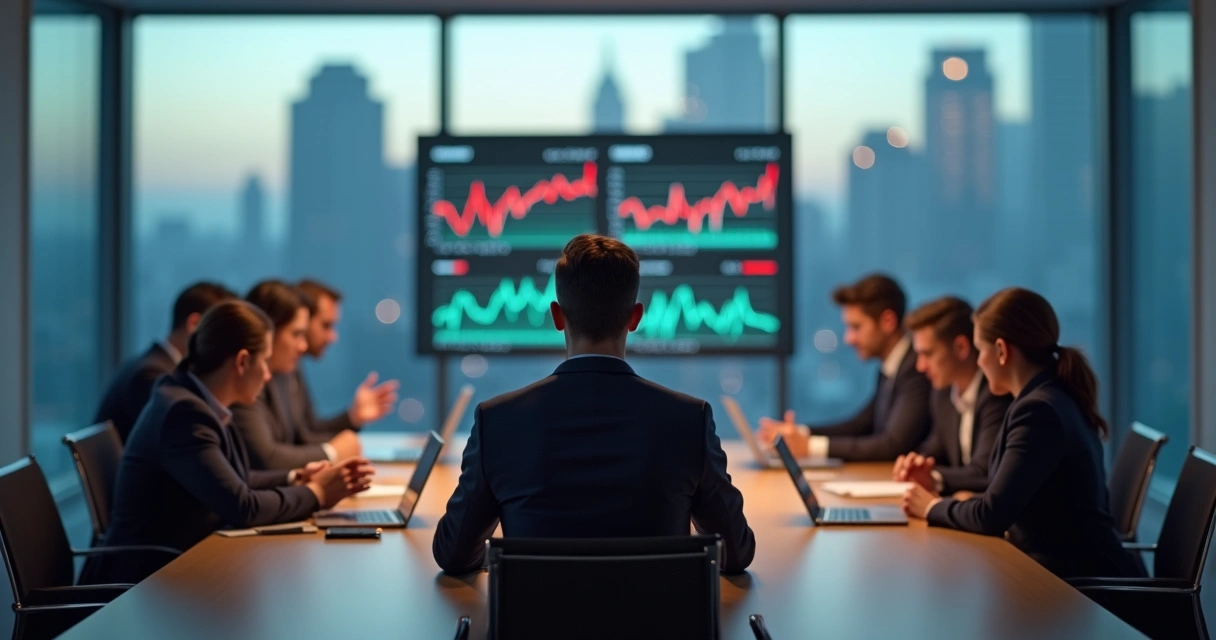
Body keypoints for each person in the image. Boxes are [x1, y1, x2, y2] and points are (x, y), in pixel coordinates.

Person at [432, 234, 756, 576]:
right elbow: (735, 554)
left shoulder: (497, 421)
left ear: (557, 316)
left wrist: (499, 561)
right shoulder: (689, 419)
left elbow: (453, 556)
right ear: (635, 317)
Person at [85, 300, 373, 584]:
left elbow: (236, 480)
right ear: (243, 361)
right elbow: (243, 507)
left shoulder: (198, 401)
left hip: (178, 568)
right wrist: (318, 492)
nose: (269, 375)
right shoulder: (183, 414)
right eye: (265, 362)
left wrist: (296, 478)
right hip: (149, 583)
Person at [901, 288, 1143, 579]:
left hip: (1079, 586)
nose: (978, 362)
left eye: (981, 350)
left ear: (1002, 351)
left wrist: (932, 507)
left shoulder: (1038, 412)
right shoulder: (1047, 396)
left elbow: (991, 515)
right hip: (1066, 573)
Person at [759, 274, 932, 461]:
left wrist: (810, 446)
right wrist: (800, 434)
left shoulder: (917, 369)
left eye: (856, 327)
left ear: (887, 321)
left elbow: (893, 445)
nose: (848, 339)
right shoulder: (893, 366)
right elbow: (861, 424)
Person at [230, 281, 363, 470]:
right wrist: (332, 452)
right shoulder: (244, 378)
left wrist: (351, 423)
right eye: (297, 334)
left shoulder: (285, 371)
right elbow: (265, 459)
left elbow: (301, 434)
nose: (303, 345)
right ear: (267, 330)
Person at [892, 297, 1011, 496]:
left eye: (927, 354)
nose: (920, 366)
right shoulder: (943, 393)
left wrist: (935, 478)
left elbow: (985, 471)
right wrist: (916, 465)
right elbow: (935, 450)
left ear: (961, 347)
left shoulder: (996, 394)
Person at [93, 282, 236, 441]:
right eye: (223, 333)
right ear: (194, 324)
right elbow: (182, 438)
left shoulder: (156, 364)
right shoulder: (151, 374)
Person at [290, 279, 399, 438]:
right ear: (303, 319)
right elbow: (288, 446)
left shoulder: (295, 369)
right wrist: (335, 452)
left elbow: (309, 432)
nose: (333, 337)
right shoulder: (274, 372)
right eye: (326, 325)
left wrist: (353, 417)